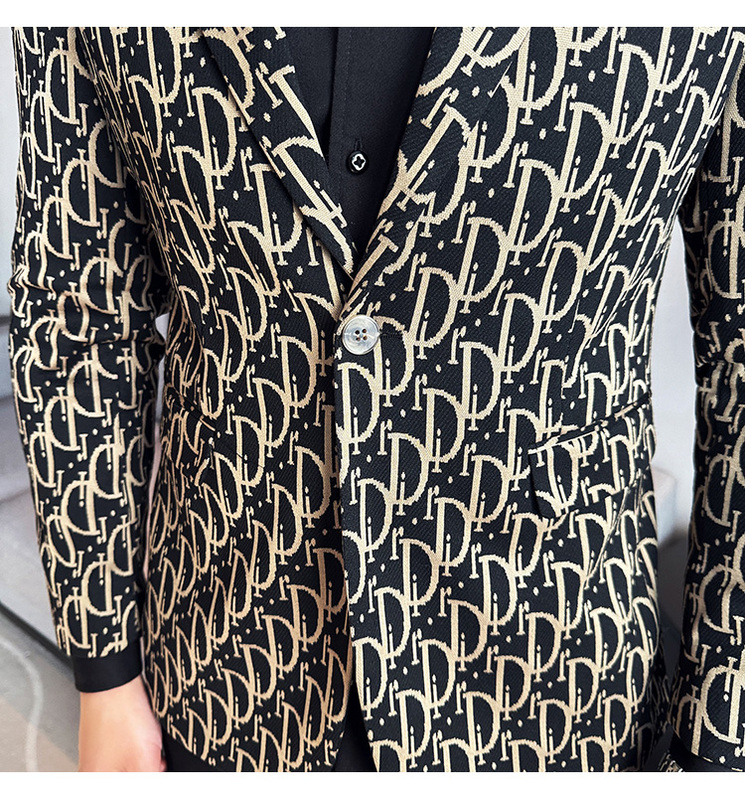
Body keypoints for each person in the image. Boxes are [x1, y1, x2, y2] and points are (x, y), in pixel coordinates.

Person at [7, 26, 745, 772]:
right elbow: (79, 306)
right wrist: (105, 669)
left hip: (561, 679)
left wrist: (721, 739)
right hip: (229, 667)